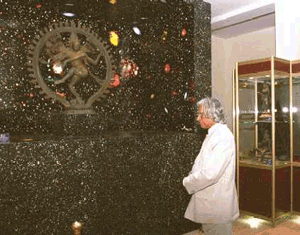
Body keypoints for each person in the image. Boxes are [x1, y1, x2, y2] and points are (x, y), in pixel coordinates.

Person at [183, 97, 239, 235]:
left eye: (200, 114)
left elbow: (211, 173)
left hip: (216, 206)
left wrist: (187, 181)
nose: (198, 118)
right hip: (211, 204)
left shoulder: (222, 136)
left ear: (211, 114)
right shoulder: (215, 134)